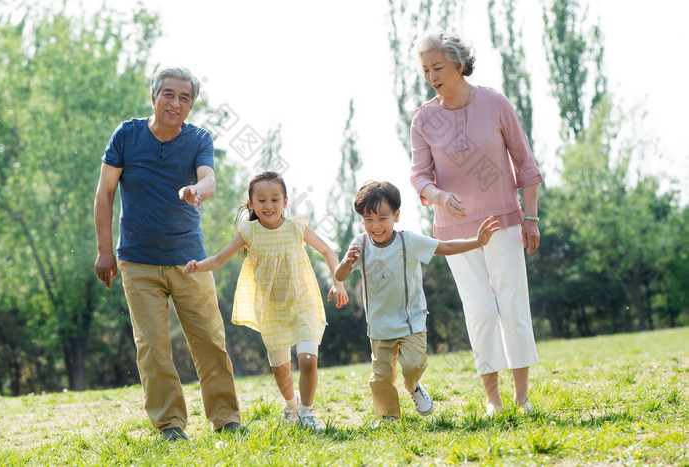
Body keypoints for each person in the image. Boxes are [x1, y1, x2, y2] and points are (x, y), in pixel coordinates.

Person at [94, 66, 241, 442]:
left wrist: (198, 189)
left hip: (189, 260)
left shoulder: (197, 139)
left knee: (210, 341)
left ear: (191, 105)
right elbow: (105, 193)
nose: (176, 103)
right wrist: (104, 251)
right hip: (137, 261)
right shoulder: (126, 135)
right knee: (153, 348)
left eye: (185, 97)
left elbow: (208, 178)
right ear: (154, 96)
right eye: (169, 94)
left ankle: (227, 419)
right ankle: (170, 425)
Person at [410, 30, 544, 415]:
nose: (432, 75)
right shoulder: (425, 118)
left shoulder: (494, 103)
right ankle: (493, 400)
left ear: (458, 65)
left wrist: (530, 218)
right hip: (454, 231)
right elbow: (419, 175)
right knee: (481, 310)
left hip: (503, 220)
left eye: (438, 67)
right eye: (425, 69)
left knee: (512, 304)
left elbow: (526, 164)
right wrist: (439, 196)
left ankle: (522, 398)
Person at [184, 171, 348, 430]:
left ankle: (307, 413)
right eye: (261, 200)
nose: (268, 205)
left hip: (303, 301)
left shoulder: (297, 227)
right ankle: (291, 406)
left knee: (307, 359)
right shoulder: (249, 231)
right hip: (271, 309)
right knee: (281, 370)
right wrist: (197, 266)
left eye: (275, 199)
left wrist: (337, 283)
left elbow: (328, 250)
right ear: (251, 204)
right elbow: (218, 259)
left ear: (285, 201)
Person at [334, 181, 500, 422]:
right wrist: (346, 265)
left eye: (382, 218)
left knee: (413, 365)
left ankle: (413, 386)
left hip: (411, 319)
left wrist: (477, 242)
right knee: (381, 377)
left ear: (396, 215)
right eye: (368, 219)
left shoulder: (408, 241)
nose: (376, 226)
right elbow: (339, 276)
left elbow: (444, 246)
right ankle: (390, 416)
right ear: (362, 221)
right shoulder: (359, 244)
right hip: (379, 325)